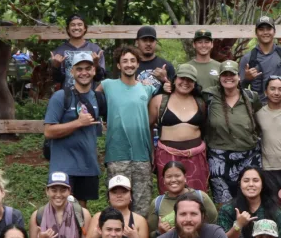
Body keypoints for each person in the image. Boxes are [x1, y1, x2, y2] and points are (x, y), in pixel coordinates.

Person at [100, 46, 162, 216]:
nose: (129, 64)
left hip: (142, 154)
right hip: (116, 154)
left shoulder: (147, 89)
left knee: (142, 206)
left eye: (133, 61)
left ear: (137, 64)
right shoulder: (107, 85)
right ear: (119, 65)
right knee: (117, 206)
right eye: (125, 61)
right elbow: (91, 99)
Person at [44, 51, 105, 205]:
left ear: (94, 70)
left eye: (88, 68)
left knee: (81, 214)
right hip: (63, 168)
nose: (84, 72)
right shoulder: (60, 97)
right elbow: (49, 131)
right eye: (79, 69)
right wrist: (78, 123)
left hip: (87, 166)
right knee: (60, 212)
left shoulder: (99, 98)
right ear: (72, 72)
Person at [205, 60, 262, 204]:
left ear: (239, 77)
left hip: (249, 154)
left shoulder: (251, 97)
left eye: (232, 74)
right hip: (219, 157)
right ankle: (226, 226)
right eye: (225, 74)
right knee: (224, 202)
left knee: (251, 197)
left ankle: (251, 224)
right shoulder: (209, 96)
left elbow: (264, 117)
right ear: (219, 77)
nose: (228, 77)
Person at [150, 63, 208, 194]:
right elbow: (148, 126)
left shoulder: (201, 102)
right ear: (174, 79)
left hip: (196, 157)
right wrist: (151, 152)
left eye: (190, 80)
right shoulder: (160, 100)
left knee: (197, 196)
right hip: (167, 156)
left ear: (194, 83)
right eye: (182, 78)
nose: (185, 82)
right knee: (169, 194)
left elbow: (205, 128)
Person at [216, 166, 281, 238]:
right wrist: (238, 225)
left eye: (255, 180)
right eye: (246, 181)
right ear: (240, 184)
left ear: (262, 185)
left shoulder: (272, 209)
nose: (251, 184)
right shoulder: (228, 209)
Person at [147, 161, 219, 238]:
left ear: (185, 178)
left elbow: (215, 225)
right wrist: (159, 232)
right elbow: (150, 236)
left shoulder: (201, 197)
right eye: (169, 176)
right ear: (163, 180)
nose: (173, 180)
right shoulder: (157, 203)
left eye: (177, 176)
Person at [238, 15, 281, 102]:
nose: (265, 32)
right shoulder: (248, 58)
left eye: (268, 29)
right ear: (256, 33)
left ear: (274, 32)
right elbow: (238, 90)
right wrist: (247, 79)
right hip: (258, 110)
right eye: (261, 29)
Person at [82, 176, 150, 238]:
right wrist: (94, 237)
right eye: (114, 192)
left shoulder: (139, 220)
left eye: (124, 192)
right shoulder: (98, 217)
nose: (119, 195)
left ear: (131, 195)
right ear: (108, 197)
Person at [50, 14, 106, 88]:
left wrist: (96, 64)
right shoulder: (59, 51)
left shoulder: (95, 49)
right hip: (67, 96)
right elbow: (57, 79)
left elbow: (99, 78)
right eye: (73, 25)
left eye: (80, 24)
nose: (76, 27)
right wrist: (55, 67)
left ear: (85, 28)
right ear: (68, 29)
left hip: (89, 96)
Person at [133, 25, 176, 94]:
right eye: (144, 40)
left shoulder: (166, 66)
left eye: (151, 40)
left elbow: (176, 93)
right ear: (137, 42)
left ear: (156, 42)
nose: (148, 44)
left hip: (160, 104)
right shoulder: (131, 66)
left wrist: (165, 79)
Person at [184, 28, 222, 93]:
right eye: (199, 42)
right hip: (192, 102)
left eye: (207, 42)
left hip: (215, 102)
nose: (203, 45)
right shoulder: (185, 67)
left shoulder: (220, 67)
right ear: (194, 44)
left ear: (212, 44)